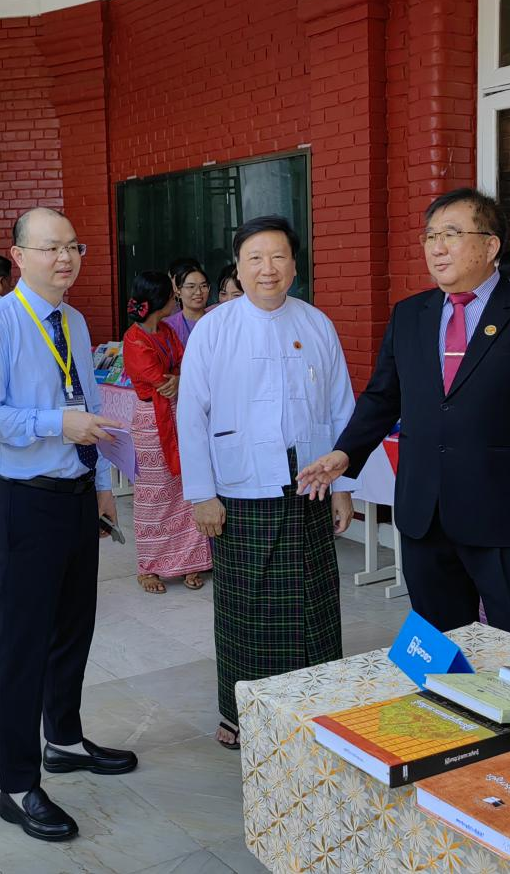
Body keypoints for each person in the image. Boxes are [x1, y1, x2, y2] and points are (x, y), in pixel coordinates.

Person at [299, 188, 510, 645]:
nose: (437, 247)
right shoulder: (411, 314)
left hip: (504, 515)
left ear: (490, 246)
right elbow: (382, 397)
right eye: (430, 236)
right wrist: (345, 453)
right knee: (437, 643)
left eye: (451, 234)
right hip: (423, 513)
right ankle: (450, 714)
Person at [0, 206, 138, 842]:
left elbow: (88, 407)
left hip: (73, 495)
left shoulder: (76, 320)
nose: (65, 259)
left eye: (74, 247)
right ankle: (17, 785)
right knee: (22, 644)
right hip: (25, 500)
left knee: (74, 625)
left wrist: (99, 487)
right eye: (50, 248)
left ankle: (62, 739)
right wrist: (50, 422)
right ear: (18, 256)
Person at [178, 215, 356, 751]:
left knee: (313, 597)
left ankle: (317, 700)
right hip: (240, 487)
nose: (267, 269)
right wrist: (202, 493)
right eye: (254, 258)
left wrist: (344, 486)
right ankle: (240, 711)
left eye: (278, 257)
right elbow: (191, 414)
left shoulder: (316, 323)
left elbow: (340, 406)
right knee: (244, 602)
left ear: (295, 265)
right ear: (238, 267)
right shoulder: (215, 327)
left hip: (310, 484)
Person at [121, 271, 212, 594]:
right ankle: (150, 567)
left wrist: (177, 377)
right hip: (152, 421)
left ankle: (191, 561)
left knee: (187, 490)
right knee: (154, 497)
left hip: (179, 415)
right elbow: (157, 378)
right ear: (159, 301)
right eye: (172, 296)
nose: (176, 300)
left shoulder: (165, 331)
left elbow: (185, 365)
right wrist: (176, 378)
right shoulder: (134, 339)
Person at [164, 257, 209, 345]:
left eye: (203, 286)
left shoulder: (218, 321)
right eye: (191, 287)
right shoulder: (168, 327)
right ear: (178, 290)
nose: (198, 292)